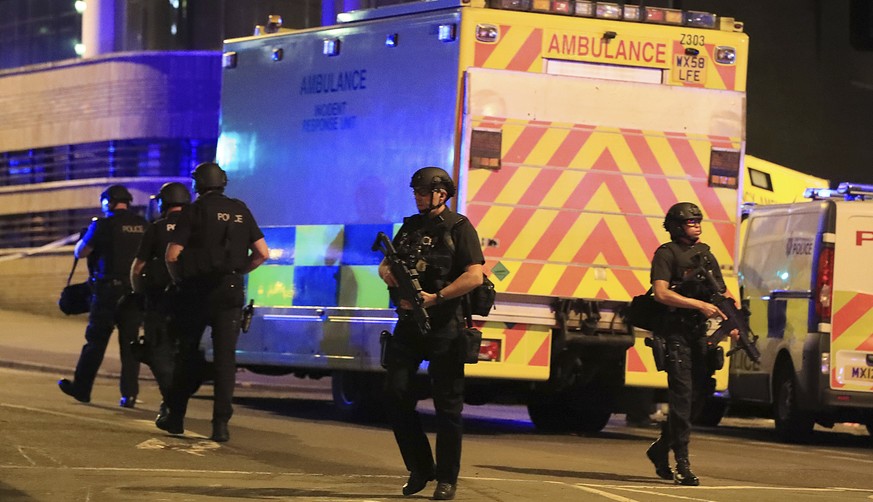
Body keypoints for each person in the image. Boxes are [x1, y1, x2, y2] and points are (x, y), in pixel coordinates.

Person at [379, 167, 484, 501]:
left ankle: (447, 478)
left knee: (448, 408)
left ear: (442, 193)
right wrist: (388, 274)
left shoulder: (460, 228)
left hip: (445, 327)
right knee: (395, 396)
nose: (418, 196)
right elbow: (385, 264)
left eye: (423, 191)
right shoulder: (410, 227)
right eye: (416, 192)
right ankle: (421, 467)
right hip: (409, 326)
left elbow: (475, 276)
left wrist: (436, 297)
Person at [155, 162, 269, 443]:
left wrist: (179, 278)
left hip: (197, 291)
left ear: (198, 184)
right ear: (223, 182)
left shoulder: (194, 211)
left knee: (187, 353)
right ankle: (220, 426)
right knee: (225, 361)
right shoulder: (241, 209)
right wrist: (239, 271)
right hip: (230, 291)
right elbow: (262, 253)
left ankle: (175, 417)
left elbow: (172, 255)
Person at [644, 202, 738, 486]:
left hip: (699, 336)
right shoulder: (666, 254)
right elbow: (661, 293)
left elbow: (721, 292)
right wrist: (698, 305)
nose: (696, 225)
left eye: (698, 221)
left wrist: (734, 321)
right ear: (676, 226)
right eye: (690, 222)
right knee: (682, 400)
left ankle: (660, 449)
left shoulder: (704, 254)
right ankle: (682, 463)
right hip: (675, 335)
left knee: (700, 398)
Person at [58, 184, 147, 407]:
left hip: (107, 292)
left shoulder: (103, 225)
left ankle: (82, 389)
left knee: (95, 343)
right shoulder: (143, 225)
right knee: (130, 345)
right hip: (134, 293)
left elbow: (82, 251)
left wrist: (84, 237)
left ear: (107, 202)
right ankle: (129, 395)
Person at [130, 182, 191, 420]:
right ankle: (175, 403)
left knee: (157, 353)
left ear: (164, 203)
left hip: (159, 300)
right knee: (183, 355)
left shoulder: (156, 228)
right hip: (189, 301)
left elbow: (138, 268)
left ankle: (172, 404)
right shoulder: (197, 227)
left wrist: (139, 294)